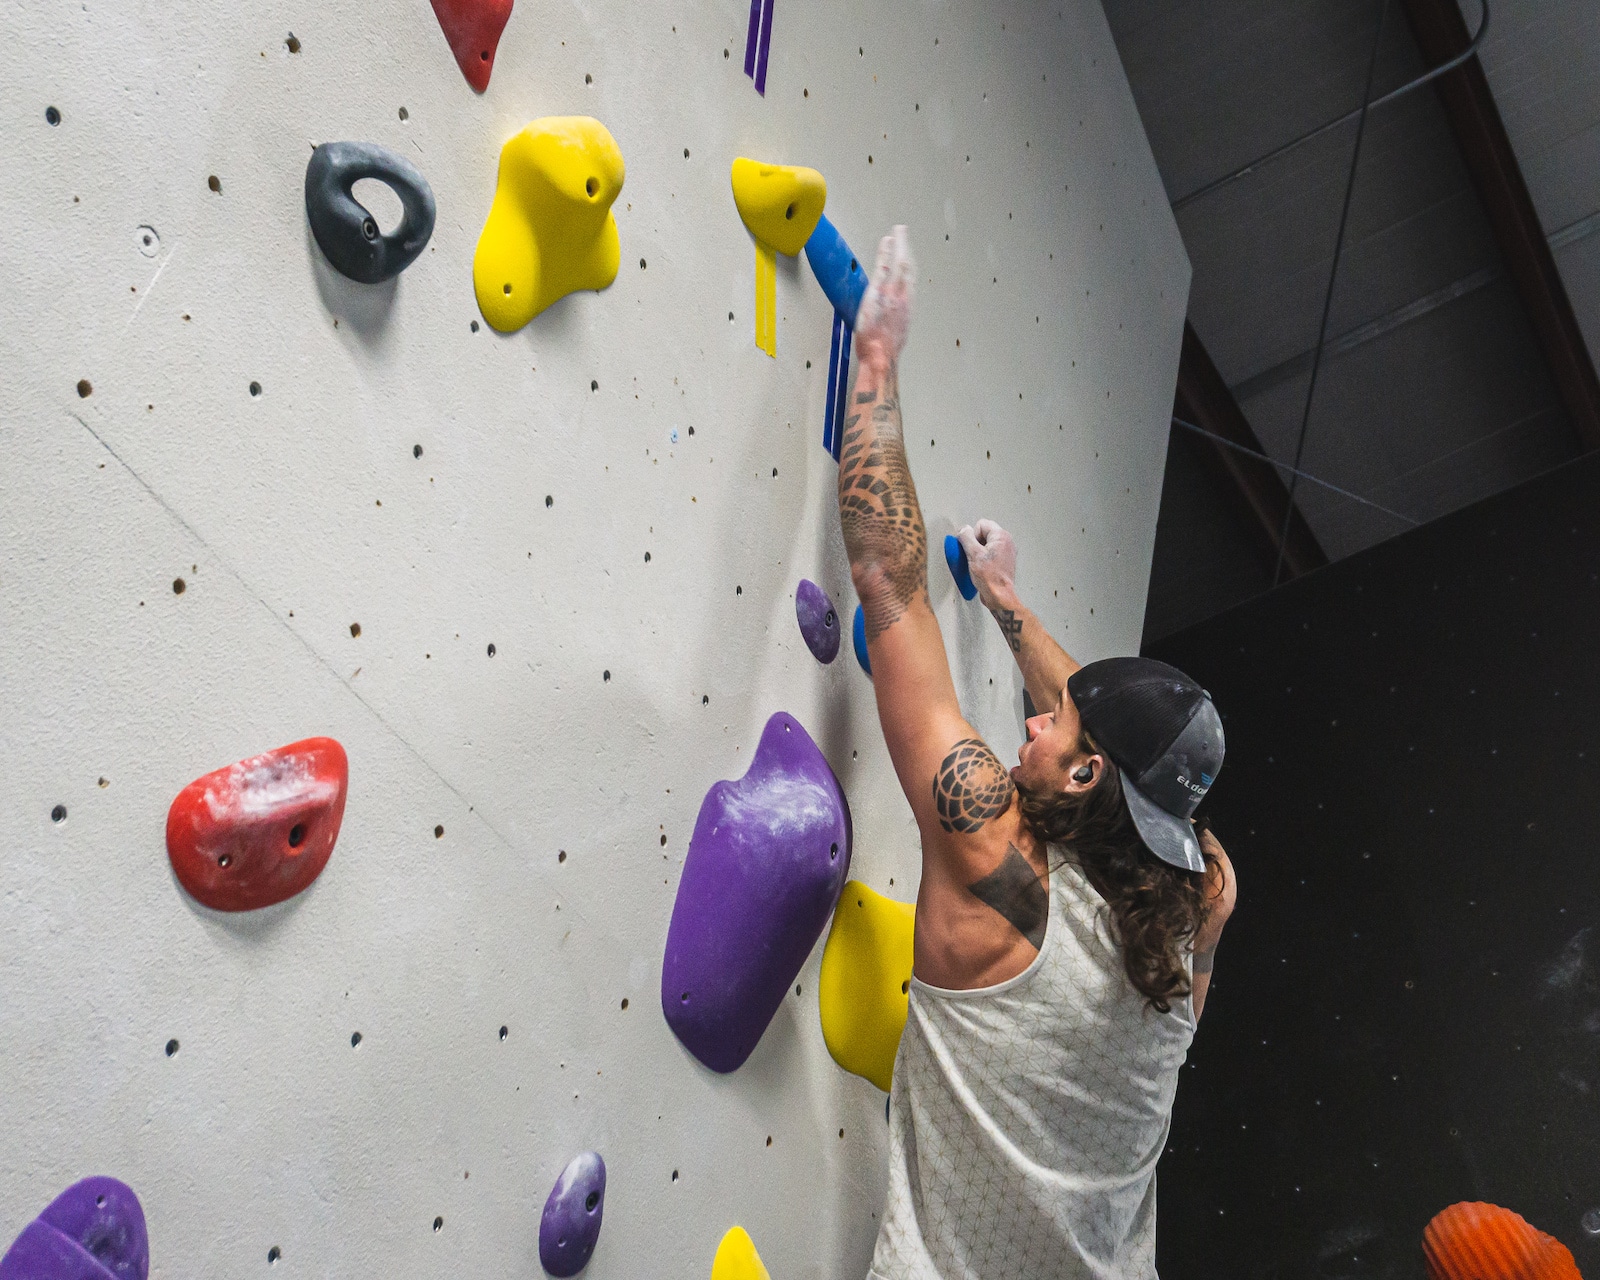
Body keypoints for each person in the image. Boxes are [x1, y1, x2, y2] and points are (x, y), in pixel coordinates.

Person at [840, 226, 1238, 1280]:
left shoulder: (993, 864)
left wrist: (874, 367)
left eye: (1051, 724)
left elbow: (889, 586)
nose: (1029, 718)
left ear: (1084, 772)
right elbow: (1139, 775)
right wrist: (1010, 610)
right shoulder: (1196, 920)